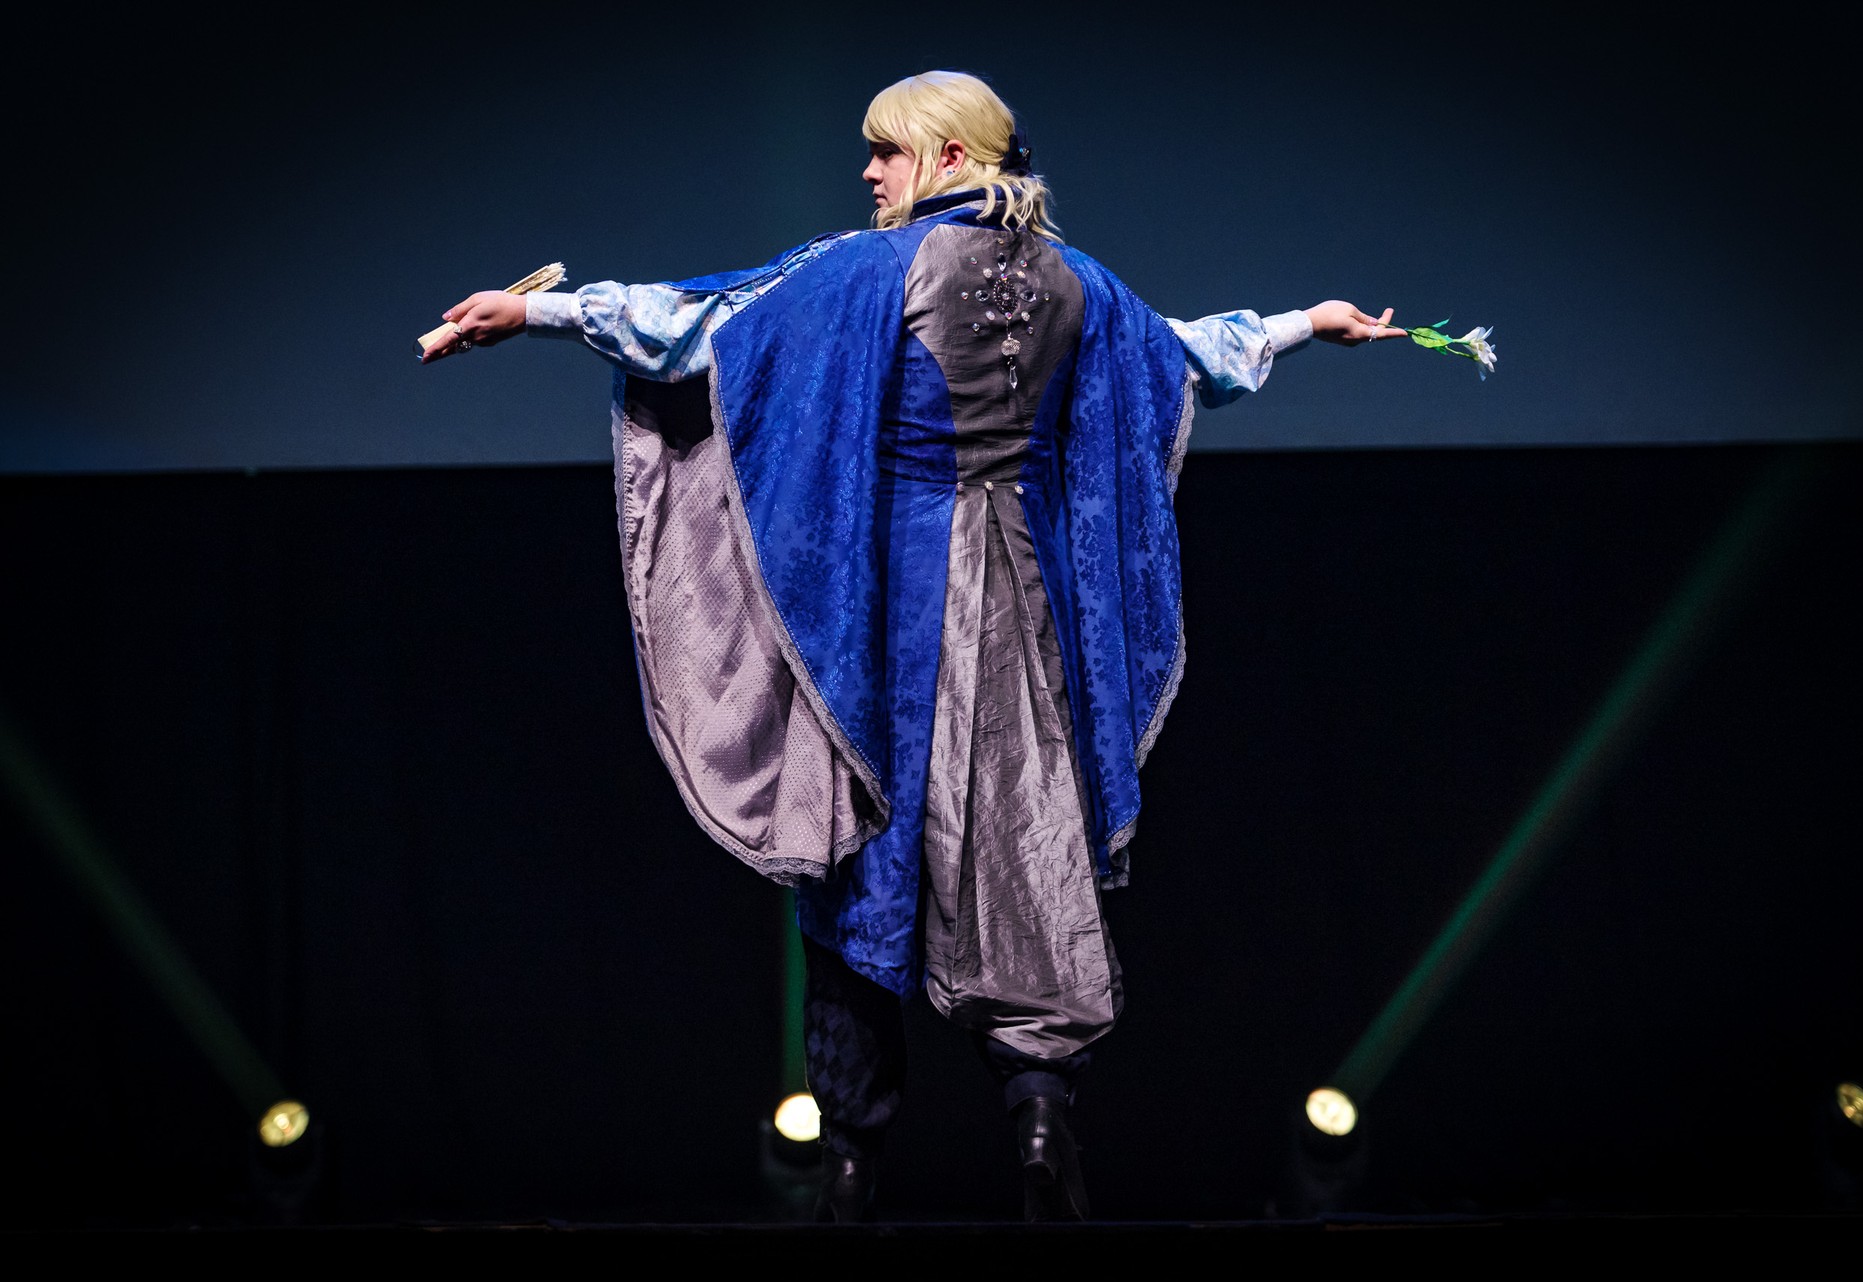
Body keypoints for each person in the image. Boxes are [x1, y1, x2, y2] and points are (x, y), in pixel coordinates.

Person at [422, 69, 1405, 1222]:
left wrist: (540, 313)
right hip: (1026, 622)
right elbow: (1186, 357)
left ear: (946, 157)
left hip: (889, 617)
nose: (870, 170)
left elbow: (700, 323)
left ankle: (850, 1165)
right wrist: (1307, 324)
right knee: (1027, 855)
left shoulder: (866, 271)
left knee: (855, 864)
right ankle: (1037, 1113)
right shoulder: (1078, 282)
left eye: (886, 150)